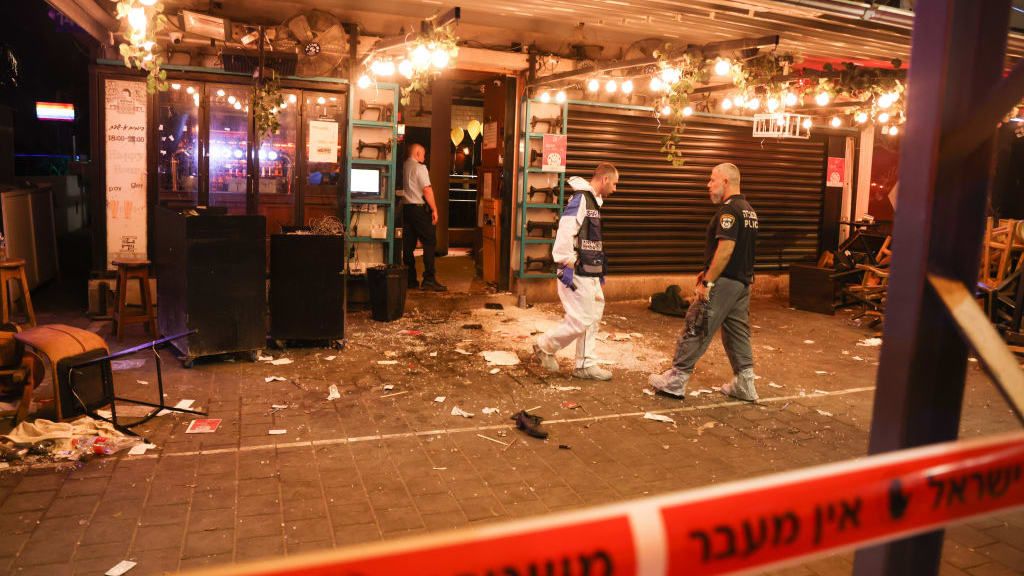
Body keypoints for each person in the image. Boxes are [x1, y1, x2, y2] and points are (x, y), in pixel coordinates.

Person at [649, 162, 759, 401]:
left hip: (725, 282)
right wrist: (707, 269)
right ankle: (745, 383)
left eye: (712, 180)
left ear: (726, 182)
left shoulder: (729, 211)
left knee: (697, 324)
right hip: (742, 283)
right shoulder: (748, 209)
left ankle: (676, 380)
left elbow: (726, 249)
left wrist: (708, 281)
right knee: (737, 332)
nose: (708, 185)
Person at [533, 162, 618, 380]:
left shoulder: (592, 202)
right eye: (615, 184)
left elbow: (589, 239)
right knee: (582, 319)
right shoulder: (582, 199)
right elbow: (566, 230)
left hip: (589, 272)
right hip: (576, 271)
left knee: (593, 315)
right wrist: (568, 262)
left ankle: (585, 364)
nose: (615, 189)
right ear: (605, 179)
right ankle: (544, 345)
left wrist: (598, 272)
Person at [401, 143, 446, 291]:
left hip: (406, 209)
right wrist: (435, 209)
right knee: (430, 241)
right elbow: (427, 190)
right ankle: (429, 279)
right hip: (419, 209)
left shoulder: (403, 166)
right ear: (417, 153)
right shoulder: (420, 168)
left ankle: (410, 279)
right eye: (424, 154)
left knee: (408, 245)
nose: (425, 157)